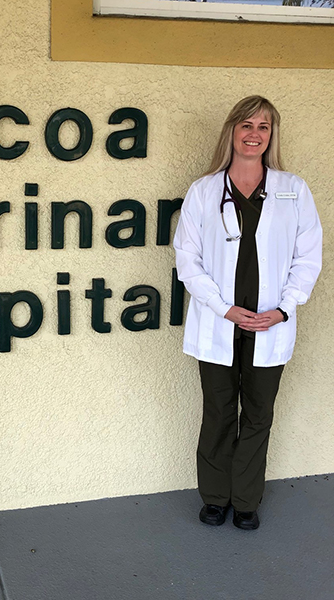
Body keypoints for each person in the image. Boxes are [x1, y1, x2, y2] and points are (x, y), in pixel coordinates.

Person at [173, 96, 322, 530]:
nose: (254, 134)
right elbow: (188, 259)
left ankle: (246, 500)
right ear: (231, 131)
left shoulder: (292, 188)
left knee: (259, 413)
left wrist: (284, 308)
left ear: (271, 135)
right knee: (219, 411)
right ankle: (216, 497)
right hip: (219, 321)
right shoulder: (204, 190)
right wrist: (223, 309)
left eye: (263, 126)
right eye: (246, 125)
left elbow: (308, 256)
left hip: (269, 322)